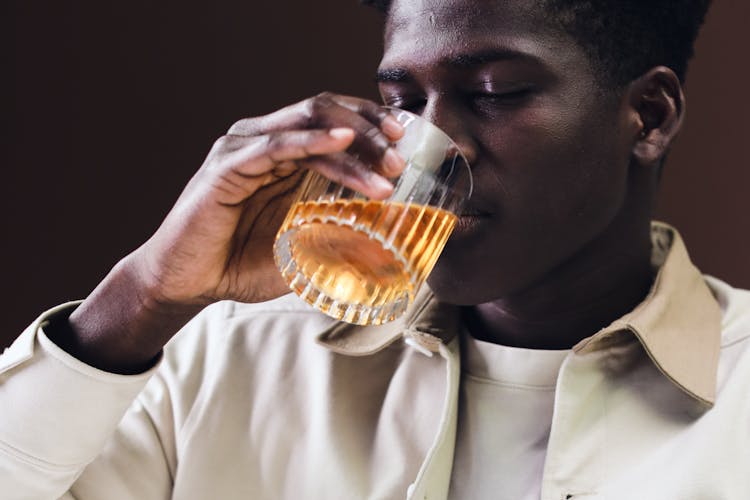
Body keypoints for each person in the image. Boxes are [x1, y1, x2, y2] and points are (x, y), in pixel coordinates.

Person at [2, 0, 748, 498]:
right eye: (403, 104)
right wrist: (144, 295)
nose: (429, 147)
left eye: (493, 92)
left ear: (648, 115)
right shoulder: (229, 356)